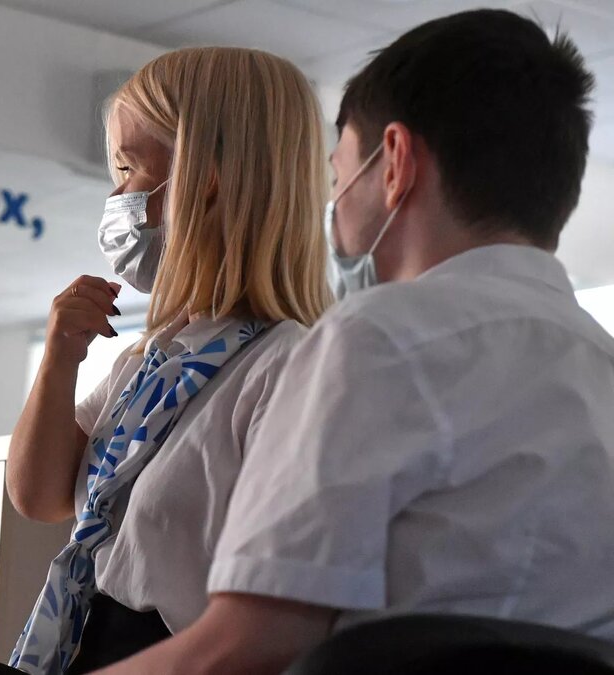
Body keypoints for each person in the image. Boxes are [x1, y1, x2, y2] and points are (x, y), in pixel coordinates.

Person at [92, 9, 614, 675]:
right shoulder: (601, 365)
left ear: (394, 162)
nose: (334, 209)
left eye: (339, 178)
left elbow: (247, 645)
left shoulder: (379, 337)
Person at [4, 47, 330, 674]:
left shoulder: (288, 369)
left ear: (207, 179)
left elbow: (275, 622)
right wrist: (60, 359)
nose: (118, 195)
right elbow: (39, 496)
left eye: (129, 169)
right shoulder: (151, 360)